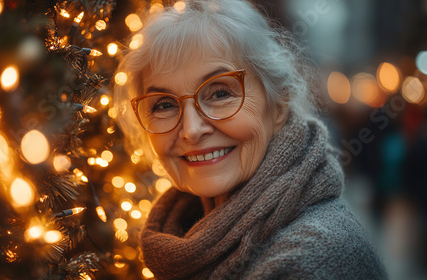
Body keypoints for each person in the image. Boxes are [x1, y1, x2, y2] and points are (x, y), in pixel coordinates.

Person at [113, 0, 387, 279]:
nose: (191, 130)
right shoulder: (185, 234)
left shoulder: (316, 257)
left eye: (220, 93)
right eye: (164, 105)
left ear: (279, 104)